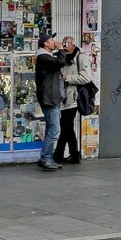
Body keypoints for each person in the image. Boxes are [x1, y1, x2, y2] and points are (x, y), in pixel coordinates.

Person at [34, 35, 72, 170]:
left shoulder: (46, 57)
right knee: (55, 130)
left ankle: (47, 158)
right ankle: (45, 158)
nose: (54, 42)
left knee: (52, 129)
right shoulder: (43, 57)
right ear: (45, 43)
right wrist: (61, 49)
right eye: (51, 40)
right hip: (49, 99)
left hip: (52, 97)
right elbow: (60, 62)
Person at [54, 36, 90, 165]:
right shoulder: (62, 56)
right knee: (67, 127)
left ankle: (58, 155)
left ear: (73, 45)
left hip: (73, 98)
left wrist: (67, 78)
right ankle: (75, 155)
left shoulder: (81, 57)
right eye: (63, 45)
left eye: (67, 45)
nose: (65, 47)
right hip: (63, 98)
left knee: (65, 126)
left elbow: (86, 77)